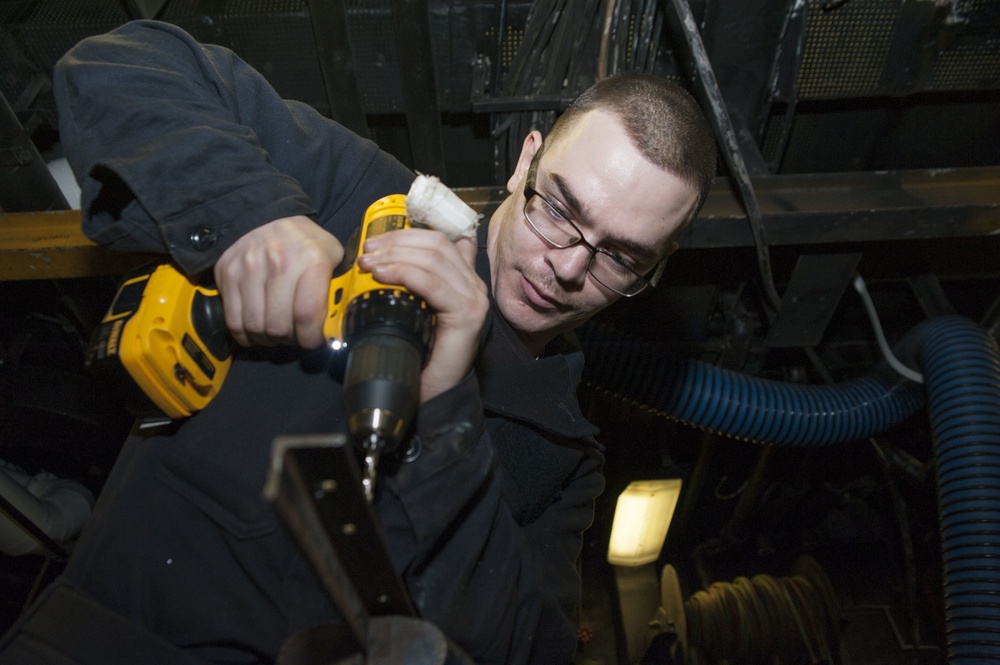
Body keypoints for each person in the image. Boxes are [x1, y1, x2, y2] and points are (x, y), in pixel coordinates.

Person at [2, 19, 716, 665]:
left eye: (620, 257)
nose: (567, 265)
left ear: (655, 267)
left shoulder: (561, 459)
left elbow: (528, 649)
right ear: (523, 160)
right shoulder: (362, 197)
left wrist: (447, 417)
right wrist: (250, 215)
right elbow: (122, 63)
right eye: (558, 208)